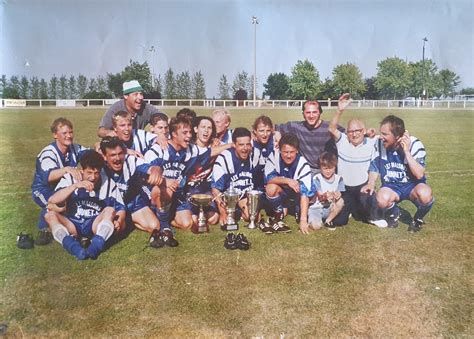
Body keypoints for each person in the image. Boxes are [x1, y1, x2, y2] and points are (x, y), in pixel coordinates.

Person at [144, 116, 231, 232]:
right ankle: (163, 223)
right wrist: (165, 181)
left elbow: (209, 153)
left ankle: (165, 215)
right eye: (184, 133)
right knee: (167, 189)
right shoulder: (160, 148)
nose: (189, 136)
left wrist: (231, 145)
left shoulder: (190, 149)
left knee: (187, 223)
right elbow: (148, 172)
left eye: (190, 132)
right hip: (157, 192)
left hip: (178, 194)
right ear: (174, 134)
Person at [45, 150, 124, 260]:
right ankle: (74, 248)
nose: (93, 177)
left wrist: (118, 221)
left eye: (96, 173)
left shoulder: (108, 183)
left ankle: (95, 247)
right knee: (49, 215)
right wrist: (75, 186)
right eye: (89, 173)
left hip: (93, 224)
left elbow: (121, 207)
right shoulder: (71, 178)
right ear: (82, 170)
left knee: (110, 210)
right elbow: (53, 199)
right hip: (73, 223)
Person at [361, 115, 434, 232]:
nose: (381, 137)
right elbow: (374, 166)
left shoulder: (415, 144)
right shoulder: (379, 144)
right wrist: (371, 183)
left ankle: (418, 219)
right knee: (381, 198)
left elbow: (419, 174)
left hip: (412, 186)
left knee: (425, 194)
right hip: (392, 186)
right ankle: (394, 213)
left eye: (385, 134)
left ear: (397, 136)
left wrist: (406, 152)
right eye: (381, 133)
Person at [328, 94, 387, 228]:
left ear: (364, 130)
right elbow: (331, 128)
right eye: (351, 132)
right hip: (345, 188)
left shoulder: (372, 142)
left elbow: (389, 135)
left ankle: (373, 216)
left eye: (358, 131)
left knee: (367, 200)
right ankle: (349, 209)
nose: (354, 134)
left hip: (362, 187)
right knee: (339, 221)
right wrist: (339, 110)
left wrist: (372, 132)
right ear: (347, 133)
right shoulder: (342, 140)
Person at [100, 137, 166, 248]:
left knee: (154, 225)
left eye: (120, 153)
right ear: (104, 156)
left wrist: (156, 170)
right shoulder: (98, 167)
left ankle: (129, 220)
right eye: (112, 155)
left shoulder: (130, 160)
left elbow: (151, 168)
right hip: (112, 206)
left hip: (132, 202)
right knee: (114, 229)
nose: (117, 158)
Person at [31, 117, 87, 245]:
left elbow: (89, 154)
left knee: (74, 205)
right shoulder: (48, 153)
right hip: (43, 189)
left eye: (70, 132)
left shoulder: (74, 148)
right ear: (55, 135)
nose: (69, 136)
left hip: (60, 187)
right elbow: (48, 177)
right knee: (57, 206)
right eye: (64, 133)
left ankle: (73, 230)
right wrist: (67, 169)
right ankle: (44, 229)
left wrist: (99, 147)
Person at [275, 95, 345, 172]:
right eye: (308, 112)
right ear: (303, 114)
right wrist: (279, 139)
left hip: (327, 170)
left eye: (314, 112)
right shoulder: (297, 127)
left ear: (320, 113)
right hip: (308, 170)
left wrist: (339, 110)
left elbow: (348, 137)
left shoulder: (329, 127)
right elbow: (276, 127)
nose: (311, 116)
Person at [264, 133, 313, 234]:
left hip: (297, 196)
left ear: (297, 151)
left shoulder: (303, 164)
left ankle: (295, 208)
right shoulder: (274, 156)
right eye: (285, 152)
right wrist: (288, 181)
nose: (289, 155)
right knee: (270, 188)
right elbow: (268, 178)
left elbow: (305, 193)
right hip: (283, 192)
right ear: (279, 150)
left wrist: (303, 220)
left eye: (292, 152)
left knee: (303, 210)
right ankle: (280, 209)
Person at [211, 127, 254, 227]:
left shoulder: (254, 156)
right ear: (234, 145)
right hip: (227, 198)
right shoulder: (224, 158)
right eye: (241, 145)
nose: (245, 148)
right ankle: (233, 211)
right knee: (214, 219)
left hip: (243, 195)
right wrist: (222, 212)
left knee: (252, 216)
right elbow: (215, 189)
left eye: (248, 144)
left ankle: (239, 211)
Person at [97, 80, 164, 138]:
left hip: (136, 142)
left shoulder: (146, 108)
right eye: (136, 94)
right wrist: (113, 134)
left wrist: (160, 134)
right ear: (126, 96)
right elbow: (101, 131)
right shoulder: (116, 108)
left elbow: (163, 118)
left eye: (141, 94)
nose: (140, 97)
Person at [307, 152, 346, 231]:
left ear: (335, 167)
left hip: (330, 208)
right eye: (325, 168)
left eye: (331, 168)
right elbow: (320, 196)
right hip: (317, 208)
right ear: (320, 168)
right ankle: (314, 220)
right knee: (316, 226)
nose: (328, 171)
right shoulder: (317, 178)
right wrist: (325, 196)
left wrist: (338, 194)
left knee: (341, 201)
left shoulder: (339, 179)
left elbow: (340, 192)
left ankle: (328, 220)